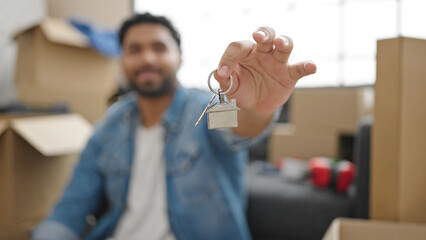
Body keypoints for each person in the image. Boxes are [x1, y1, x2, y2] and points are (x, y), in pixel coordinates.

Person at [32, 12, 316, 240]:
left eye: (158, 47)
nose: (147, 58)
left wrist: (256, 109)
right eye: (134, 49)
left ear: (179, 58)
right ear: (122, 61)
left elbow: (240, 132)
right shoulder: (108, 127)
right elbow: (69, 212)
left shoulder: (207, 106)